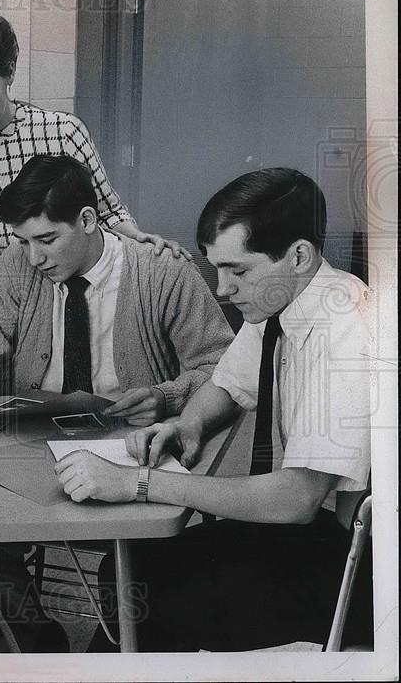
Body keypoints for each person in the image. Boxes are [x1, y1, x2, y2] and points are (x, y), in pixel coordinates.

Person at [57, 169, 373, 652]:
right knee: (132, 569)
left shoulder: (346, 329)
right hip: (311, 537)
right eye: (217, 269)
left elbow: (297, 499)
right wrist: (188, 422)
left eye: (238, 270)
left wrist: (138, 484)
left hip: (358, 565)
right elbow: (226, 384)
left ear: (300, 255)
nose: (223, 289)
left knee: (146, 591)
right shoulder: (280, 300)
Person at [0, 154, 233, 653]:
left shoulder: (161, 271)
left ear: (89, 221)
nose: (33, 257)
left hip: (127, 446)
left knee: (133, 553)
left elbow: (222, 366)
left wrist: (165, 395)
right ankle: (36, 642)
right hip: (32, 440)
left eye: (47, 239)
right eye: (23, 241)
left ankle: (113, 650)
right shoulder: (17, 266)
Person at [0, 8, 190, 313]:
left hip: (61, 297)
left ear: (9, 73)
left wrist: (140, 241)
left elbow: (106, 213)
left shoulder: (62, 131)